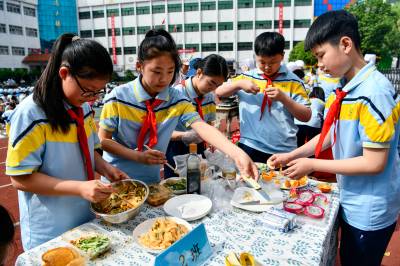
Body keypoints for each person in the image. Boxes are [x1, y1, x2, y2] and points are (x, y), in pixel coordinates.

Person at [269, 10, 400, 266]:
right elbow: (329, 136)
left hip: (369, 207)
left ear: (346, 44)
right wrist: (292, 155)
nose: (319, 64)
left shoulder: (373, 92)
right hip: (352, 197)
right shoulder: (345, 88)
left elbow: (374, 163)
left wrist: (313, 165)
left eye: (321, 55)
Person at [6, 33, 128, 250]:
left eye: (98, 92)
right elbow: (20, 178)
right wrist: (79, 187)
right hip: (50, 227)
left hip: (83, 217)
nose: (93, 98)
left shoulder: (85, 108)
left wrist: (106, 168)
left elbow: (89, 149)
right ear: (64, 73)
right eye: (88, 91)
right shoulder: (31, 114)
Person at [99, 29, 257, 184]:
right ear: (139, 66)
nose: (164, 79)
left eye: (170, 72)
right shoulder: (118, 97)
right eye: (157, 71)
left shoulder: (175, 98)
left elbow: (201, 126)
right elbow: (103, 141)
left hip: (152, 182)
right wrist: (138, 156)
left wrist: (237, 153)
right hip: (117, 179)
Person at [215, 32, 311, 163]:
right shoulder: (246, 78)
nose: (267, 67)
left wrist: (284, 98)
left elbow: (306, 116)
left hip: (284, 150)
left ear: (282, 56)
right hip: (250, 146)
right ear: (255, 56)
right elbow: (219, 91)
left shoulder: (294, 82)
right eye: (262, 62)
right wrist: (239, 84)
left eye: (272, 62)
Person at [164, 54, 228, 178]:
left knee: (199, 183)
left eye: (218, 86)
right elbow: (163, 132)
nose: (213, 89)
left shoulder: (209, 97)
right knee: (177, 186)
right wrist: (184, 135)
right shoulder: (177, 94)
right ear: (199, 73)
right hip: (175, 148)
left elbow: (209, 124)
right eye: (211, 83)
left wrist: (211, 142)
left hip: (198, 147)